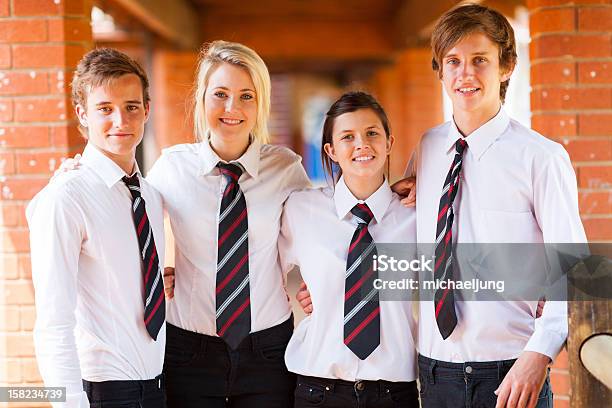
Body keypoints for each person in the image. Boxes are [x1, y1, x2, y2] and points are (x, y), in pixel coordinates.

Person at [398, 4, 585, 408]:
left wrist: (540, 353)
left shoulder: (541, 158)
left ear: (506, 67)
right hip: (433, 373)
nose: (465, 74)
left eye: (480, 60)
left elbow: (575, 266)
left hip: (510, 373)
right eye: (453, 61)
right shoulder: (428, 149)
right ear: (441, 71)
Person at [147, 40, 311, 407]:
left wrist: (321, 284)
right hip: (188, 350)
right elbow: (128, 221)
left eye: (246, 96)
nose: (232, 108)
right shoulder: (171, 169)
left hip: (268, 350)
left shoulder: (286, 169)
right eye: (219, 94)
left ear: (261, 104)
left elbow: (322, 233)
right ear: (202, 99)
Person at [27, 48, 166, 408]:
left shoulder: (149, 195)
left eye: (132, 106)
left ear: (147, 110)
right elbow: (53, 321)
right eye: (105, 108)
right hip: (102, 392)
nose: (120, 120)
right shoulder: (65, 197)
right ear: (82, 115)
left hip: (158, 385)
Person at [280, 91, 419, 408]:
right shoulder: (301, 210)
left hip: (393, 394)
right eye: (348, 137)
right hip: (319, 391)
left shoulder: (417, 216)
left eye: (372, 133)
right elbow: (261, 269)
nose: (362, 144)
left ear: (389, 142)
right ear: (330, 150)